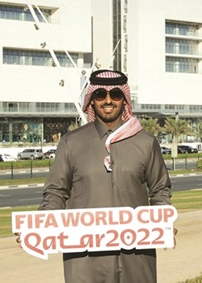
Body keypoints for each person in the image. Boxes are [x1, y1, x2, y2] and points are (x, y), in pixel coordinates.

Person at [37, 69, 172, 282]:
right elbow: (56, 191)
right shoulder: (71, 143)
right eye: (100, 95)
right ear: (91, 100)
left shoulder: (146, 143)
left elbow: (160, 189)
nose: (108, 100)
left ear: (124, 99)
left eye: (115, 95)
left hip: (136, 258)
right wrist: (38, 225)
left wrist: (162, 221)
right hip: (85, 260)